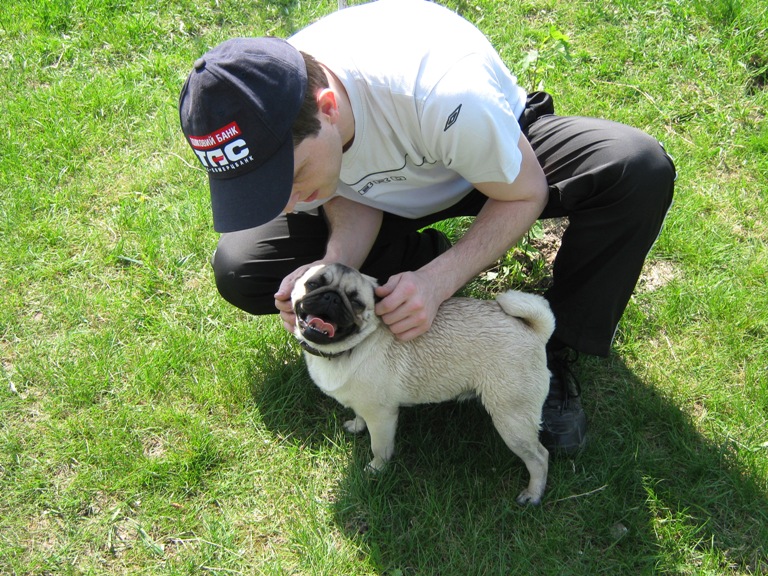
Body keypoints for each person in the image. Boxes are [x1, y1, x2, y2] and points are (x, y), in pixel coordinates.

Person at [178, 0, 675, 456]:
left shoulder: (446, 94)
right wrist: (331, 269)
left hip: (484, 164)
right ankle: (407, 269)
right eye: (262, 188)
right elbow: (350, 191)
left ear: (328, 108)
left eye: (289, 179)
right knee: (243, 268)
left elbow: (526, 192)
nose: (286, 206)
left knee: (636, 168)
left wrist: (440, 281)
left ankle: (551, 347)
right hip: (383, 192)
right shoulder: (277, 94)